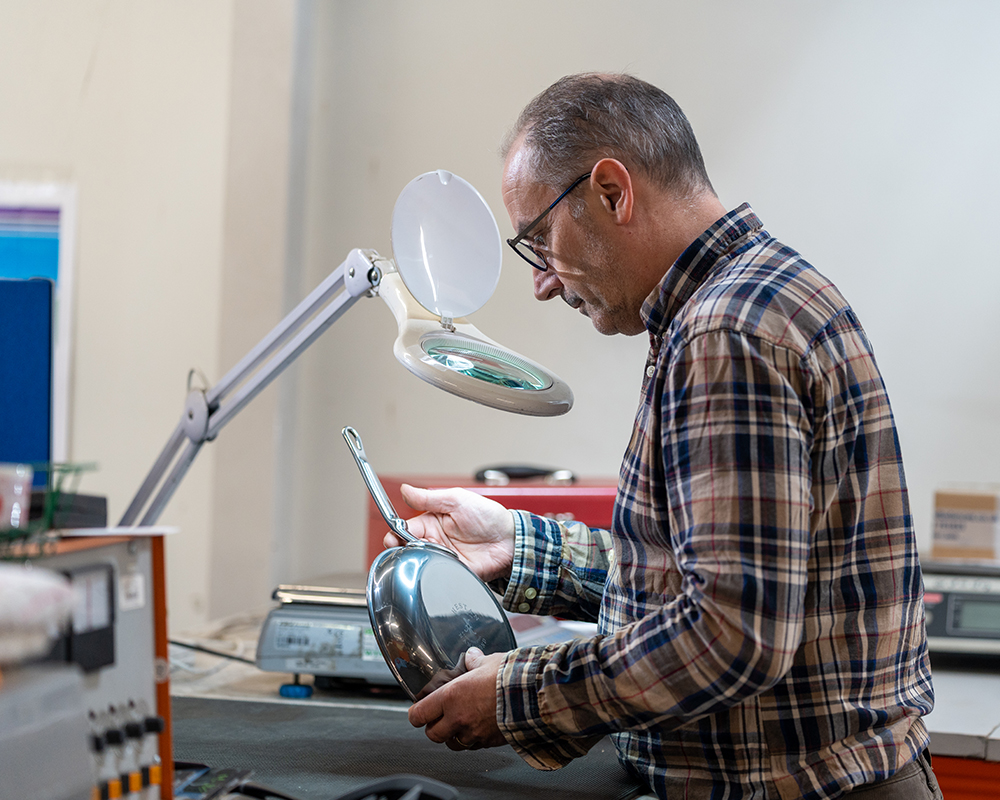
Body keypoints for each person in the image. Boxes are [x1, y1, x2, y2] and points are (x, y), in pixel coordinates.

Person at [388, 73, 940, 800]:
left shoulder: (725, 334)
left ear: (612, 192)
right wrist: (517, 547)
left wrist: (516, 696)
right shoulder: (756, 294)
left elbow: (731, 636)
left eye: (540, 240)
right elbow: (703, 580)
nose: (542, 283)